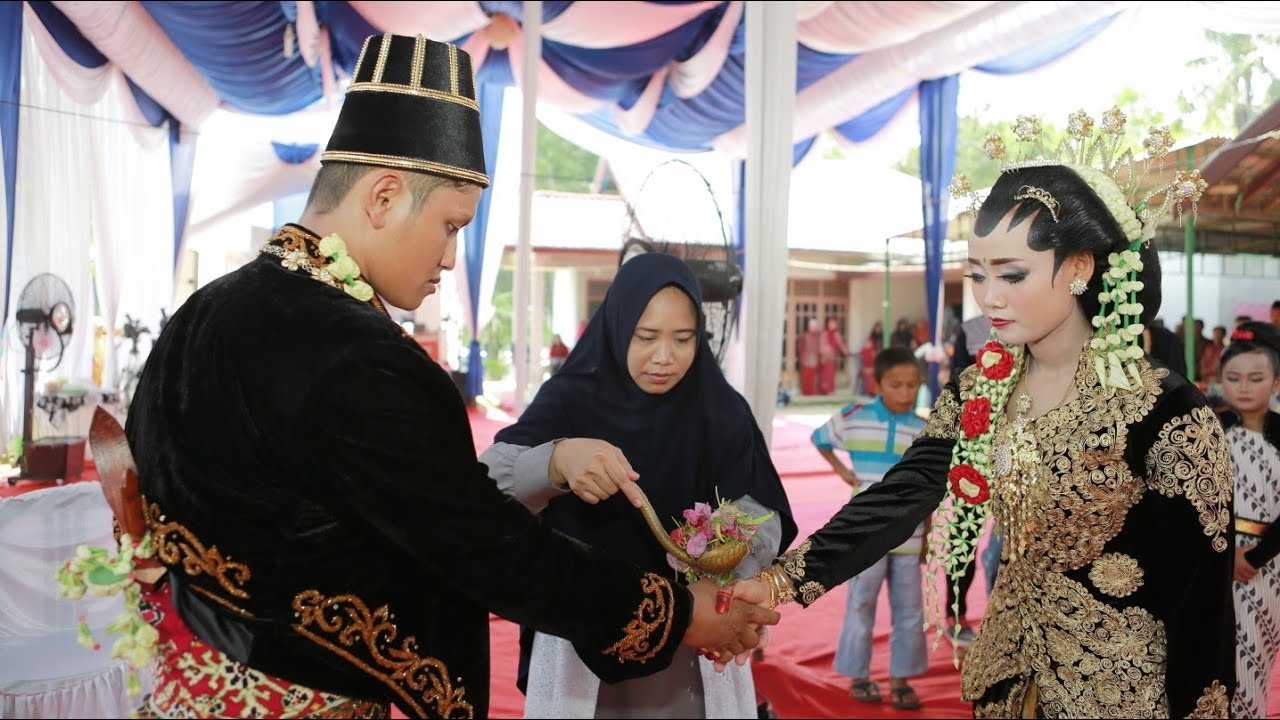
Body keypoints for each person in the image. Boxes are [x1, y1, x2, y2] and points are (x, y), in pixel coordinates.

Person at [118, 34, 776, 718]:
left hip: (181, 687)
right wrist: (676, 615)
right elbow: (492, 551)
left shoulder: (203, 313)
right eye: (451, 224)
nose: (448, 256)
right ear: (382, 196)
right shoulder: (358, 358)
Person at [740, 111, 1237, 718]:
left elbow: (1202, 599)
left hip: (1124, 690)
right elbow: (905, 493)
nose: (988, 297)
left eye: (1012, 274)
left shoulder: (1164, 409)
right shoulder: (983, 386)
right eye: (977, 274)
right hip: (1007, 672)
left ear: (1079, 267)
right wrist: (780, 582)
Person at [479, 253, 797, 718]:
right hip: (584, 630)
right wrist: (556, 461)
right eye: (645, 337)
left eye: (683, 339)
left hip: (695, 630)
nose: (664, 357)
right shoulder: (569, 400)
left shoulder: (719, 409)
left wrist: (728, 563)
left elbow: (762, 509)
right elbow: (485, 487)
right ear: (616, 327)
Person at [810, 347, 928, 710]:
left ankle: (900, 678)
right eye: (896, 385)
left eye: (912, 385)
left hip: (910, 536)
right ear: (877, 384)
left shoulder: (925, 430)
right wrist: (843, 472)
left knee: (910, 608)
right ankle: (859, 676)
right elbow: (820, 438)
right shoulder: (854, 417)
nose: (905, 393)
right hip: (865, 535)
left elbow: (929, 489)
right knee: (861, 604)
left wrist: (929, 536)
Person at [1218, 321, 1280, 719]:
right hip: (1217, 560)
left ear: (1276, 382)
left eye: (1256, 378)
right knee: (1220, 659)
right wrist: (1225, 553)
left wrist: (1255, 557)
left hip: (1268, 566)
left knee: (1255, 656)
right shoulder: (1209, 429)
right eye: (1233, 378)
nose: (1244, 387)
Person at [819, 316, 852, 395]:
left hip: (832, 358)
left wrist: (846, 352)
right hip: (824, 358)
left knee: (831, 375)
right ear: (827, 324)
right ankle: (824, 391)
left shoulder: (837, 335)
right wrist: (829, 349)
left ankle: (830, 391)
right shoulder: (824, 334)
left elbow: (841, 345)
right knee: (824, 376)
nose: (832, 325)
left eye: (834, 323)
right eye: (831, 323)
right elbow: (821, 346)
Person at [798, 318, 822, 395]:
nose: (813, 327)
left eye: (814, 326)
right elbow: (800, 348)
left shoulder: (819, 336)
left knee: (814, 377)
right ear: (808, 326)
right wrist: (803, 356)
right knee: (806, 377)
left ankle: (813, 392)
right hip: (806, 358)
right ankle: (806, 393)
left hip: (815, 358)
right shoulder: (804, 336)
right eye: (811, 326)